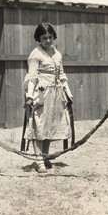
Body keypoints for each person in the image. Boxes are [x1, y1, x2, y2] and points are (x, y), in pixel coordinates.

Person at [23, 22, 74, 173]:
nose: (48, 41)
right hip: (41, 94)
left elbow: (62, 75)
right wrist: (29, 96)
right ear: (38, 39)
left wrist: (68, 92)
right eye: (44, 38)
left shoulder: (57, 54)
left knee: (49, 127)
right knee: (39, 126)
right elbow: (32, 77)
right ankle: (38, 161)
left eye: (50, 37)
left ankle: (45, 157)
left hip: (56, 93)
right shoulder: (35, 55)